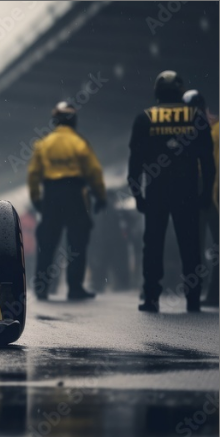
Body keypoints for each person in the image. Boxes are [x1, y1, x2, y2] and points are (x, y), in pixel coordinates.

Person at [128, 71, 215, 313]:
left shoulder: (144, 118)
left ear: (157, 92)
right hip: (186, 192)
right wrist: (206, 193)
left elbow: (135, 163)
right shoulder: (196, 118)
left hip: (156, 193)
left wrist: (138, 195)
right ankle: (194, 299)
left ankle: (151, 297)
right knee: (190, 246)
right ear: (179, 91)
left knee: (153, 245)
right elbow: (207, 162)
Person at [28, 101, 107, 301]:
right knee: (77, 244)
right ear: (74, 121)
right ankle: (75, 288)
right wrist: (100, 196)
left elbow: (33, 174)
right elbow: (94, 172)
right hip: (75, 195)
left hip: (51, 196)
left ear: (55, 120)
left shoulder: (43, 144)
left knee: (47, 244)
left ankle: (41, 288)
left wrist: (37, 199)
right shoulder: (80, 143)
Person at [183, 90, 219, 307]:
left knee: (195, 245)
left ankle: (198, 293)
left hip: (204, 193)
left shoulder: (199, 130)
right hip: (210, 192)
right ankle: (213, 293)